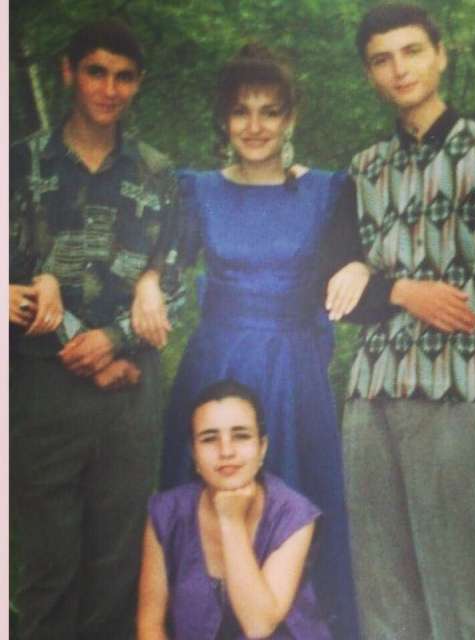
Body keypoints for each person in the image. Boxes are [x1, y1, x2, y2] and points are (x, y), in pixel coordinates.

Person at [132, 44, 393, 640]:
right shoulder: (196, 190)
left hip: (293, 374)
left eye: (270, 111)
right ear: (223, 120)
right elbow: (165, 261)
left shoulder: (328, 191)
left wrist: (360, 266)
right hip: (215, 366)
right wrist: (147, 280)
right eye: (241, 111)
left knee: (294, 499)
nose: (255, 126)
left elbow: (356, 259)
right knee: (203, 499)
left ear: (290, 118)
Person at [341, 4, 475, 640]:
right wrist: (400, 291)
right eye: (382, 59)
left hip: (459, 387)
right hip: (372, 393)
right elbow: (337, 292)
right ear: (369, 74)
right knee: (384, 579)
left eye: (412, 51)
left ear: (441, 54)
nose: (399, 69)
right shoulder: (363, 169)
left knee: (468, 579)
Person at [9, 19, 182, 639]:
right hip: (43, 389)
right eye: (96, 72)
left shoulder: (159, 173)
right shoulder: (19, 164)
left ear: (138, 84)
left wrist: (113, 341)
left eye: (124, 77)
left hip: (128, 389)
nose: (109, 89)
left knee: (117, 565)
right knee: (48, 565)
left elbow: (175, 283)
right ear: (68, 72)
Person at [137, 379, 333, 640]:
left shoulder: (294, 514)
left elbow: (258, 625)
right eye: (209, 439)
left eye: (241, 436)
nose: (226, 451)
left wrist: (231, 520)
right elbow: (150, 625)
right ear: (194, 454)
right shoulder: (166, 512)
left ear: (262, 448)